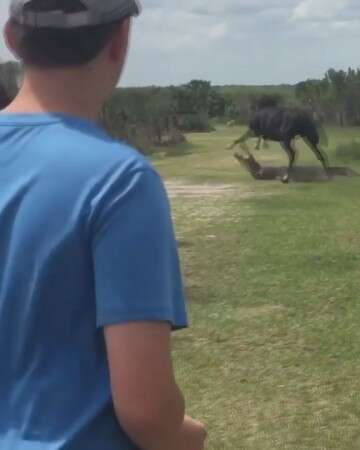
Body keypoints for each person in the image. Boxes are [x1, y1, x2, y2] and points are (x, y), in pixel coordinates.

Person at [0, 0, 206, 449]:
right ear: (120, 39)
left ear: (11, 38)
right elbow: (146, 411)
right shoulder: (120, 181)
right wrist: (185, 435)